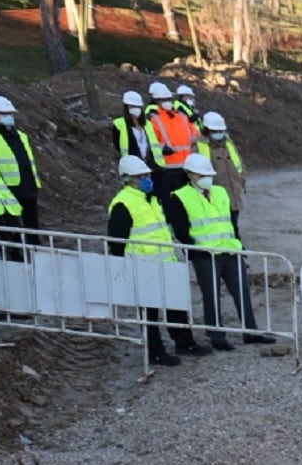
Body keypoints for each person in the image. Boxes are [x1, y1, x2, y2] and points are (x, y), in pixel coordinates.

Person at [106, 154, 199, 367]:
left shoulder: (152, 199)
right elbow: (116, 240)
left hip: (165, 262)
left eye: (147, 175)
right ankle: (155, 352)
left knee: (176, 305)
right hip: (142, 266)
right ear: (128, 179)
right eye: (141, 176)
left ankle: (184, 342)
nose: (147, 179)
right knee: (149, 314)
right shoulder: (123, 203)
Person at [162, 152, 259, 351]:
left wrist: (238, 243)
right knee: (211, 296)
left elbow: (230, 222)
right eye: (201, 175)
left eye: (209, 175)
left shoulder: (220, 192)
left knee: (242, 291)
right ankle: (217, 336)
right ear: (189, 174)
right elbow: (180, 230)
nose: (207, 178)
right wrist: (195, 250)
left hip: (230, 250)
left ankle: (251, 332)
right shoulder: (179, 197)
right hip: (204, 254)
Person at [0, 95, 38, 233]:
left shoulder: (20, 134)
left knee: (32, 224)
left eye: (10, 113)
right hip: (5, 188)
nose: (8, 116)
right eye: (3, 113)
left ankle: (33, 246)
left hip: (28, 184)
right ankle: (16, 251)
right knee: (11, 226)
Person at [142, 80, 194, 196]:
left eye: (169, 99)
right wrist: (162, 148)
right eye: (163, 100)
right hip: (165, 168)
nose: (167, 102)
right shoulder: (152, 117)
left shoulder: (180, 116)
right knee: (168, 203)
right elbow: (149, 140)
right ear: (155, 100)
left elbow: (193, 135)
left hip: (185, 168)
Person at [197, 112, 247, 234]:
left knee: (233, 220)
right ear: (207, 130)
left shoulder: (228, 144)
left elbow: (239, 163)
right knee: (221, 221)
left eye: (221, 131)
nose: (219, 134)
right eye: (215, 131)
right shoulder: (200, 146)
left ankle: (236, 242)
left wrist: (242, 181)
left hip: (234, 189)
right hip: (215, 191)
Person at [110, 89, 145, 160]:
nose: (136, 109)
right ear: (127, 107)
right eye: (133, 106)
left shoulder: (148, 125)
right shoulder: (119, 124)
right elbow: (117, 145)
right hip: (131, 163)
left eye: (138, 106)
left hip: (149, 164)